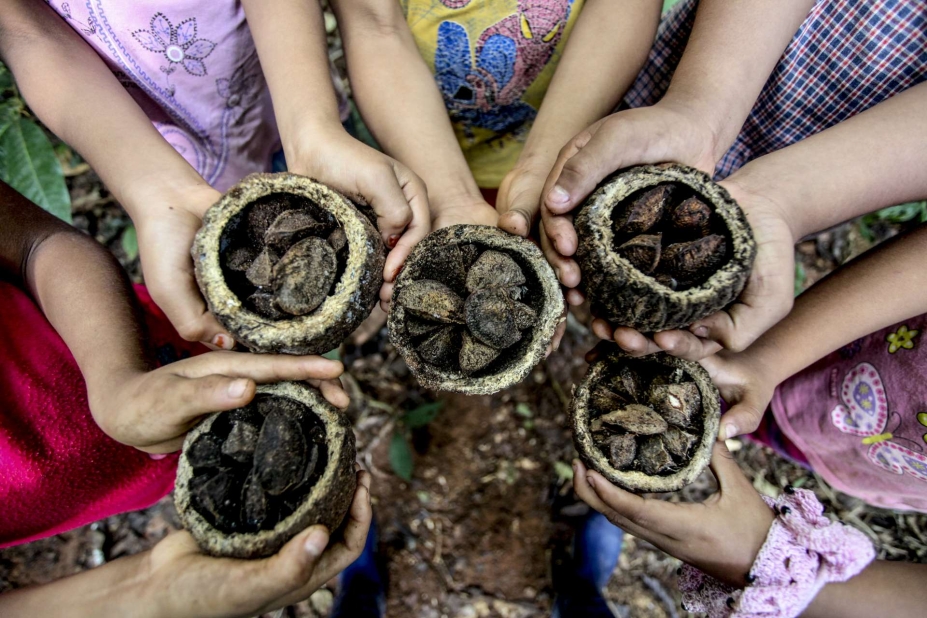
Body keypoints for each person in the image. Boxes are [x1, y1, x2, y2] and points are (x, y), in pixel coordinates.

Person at [0, 178, 372, 614]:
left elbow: (34, 243)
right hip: (133, 474)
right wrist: (148, 595)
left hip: (151, 355)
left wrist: (118, 380)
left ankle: (361, 543)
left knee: (326, 467)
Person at [0, 0, 430, 349]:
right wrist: (155, 192)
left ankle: (368, 300)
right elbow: (26, 33)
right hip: (165, 150)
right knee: (241, 243)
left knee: (354, 210)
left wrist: (310, 126)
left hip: (279, 84)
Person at [534, 0, 927, 356]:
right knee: (612, 153)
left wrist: (787, 199)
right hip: (720, 50)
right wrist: (701, 108)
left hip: (847, 152)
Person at [329, 0, 663, 309]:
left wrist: (542, 163)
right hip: (415, 153)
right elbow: (375, 26)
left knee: (531, 235)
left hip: (555, 143)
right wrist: (449, 197)